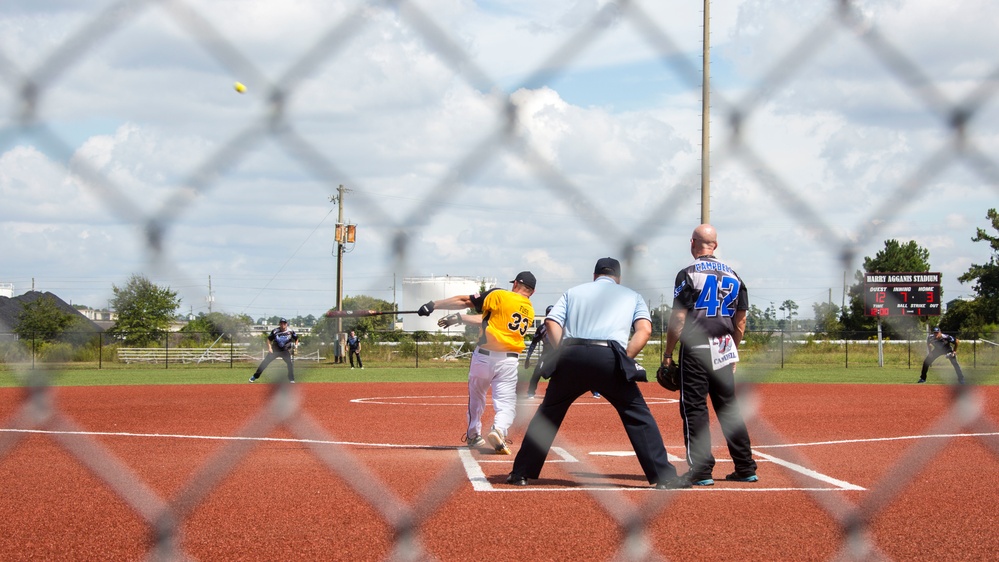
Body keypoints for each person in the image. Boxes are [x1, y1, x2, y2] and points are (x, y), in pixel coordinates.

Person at [506, 258, 681, 488]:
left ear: (595, 275)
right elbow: (645, 330)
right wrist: (625, 358)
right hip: (609, 355)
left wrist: (561, 352)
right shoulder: (630, 295)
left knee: (548, 414)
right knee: (637, 415)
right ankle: (663, 477)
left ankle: (521, 473)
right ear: (617, 277)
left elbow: (551, 322)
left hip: (572, 354)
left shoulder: (574, 292)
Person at [663, 224, 758, 487]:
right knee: (729, 409)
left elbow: (678, 319)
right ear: (715, 245)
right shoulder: (735, 276)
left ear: (692, 243)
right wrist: (733, 350)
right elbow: (740, 322)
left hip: (697, 348)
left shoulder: (688, 273)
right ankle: (745, 466)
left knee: (694, 408)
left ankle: (702, 470)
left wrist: (668, 354)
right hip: (724, 346)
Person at [418, 271, 536, 455]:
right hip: (509, 361)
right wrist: (460, 318)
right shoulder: (529, 310)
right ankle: (498, 430)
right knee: (506, 404)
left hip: (483, 357)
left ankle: (473, 435)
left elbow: (465, 301)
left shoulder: (500, 294)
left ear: (515, 285)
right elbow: (489, 321)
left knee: (477, 398)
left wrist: (434, 305)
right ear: (532, 292)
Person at [524, 305, 600, 399]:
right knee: (537, 372)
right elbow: (533, 343)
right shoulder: (542, 328)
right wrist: (528, 358)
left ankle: (595, 391)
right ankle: (531, 392)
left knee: (579, 370)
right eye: (549, 313)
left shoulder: (562, 326)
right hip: (546, 355)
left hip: (560, 354)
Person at [249, 318, 298, 383]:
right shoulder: (275, 331)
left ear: (286, 324)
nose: (283, 325)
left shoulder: (290, 331)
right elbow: (269, 339)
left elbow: (296, 339)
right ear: (279, 324)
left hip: (284, 351)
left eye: (284, 323)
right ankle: (254, 376)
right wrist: (270, 348)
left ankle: (291, 379)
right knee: (265, 363)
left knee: (290, 364)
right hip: (275, 350)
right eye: (281, 323)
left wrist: (296, 347)